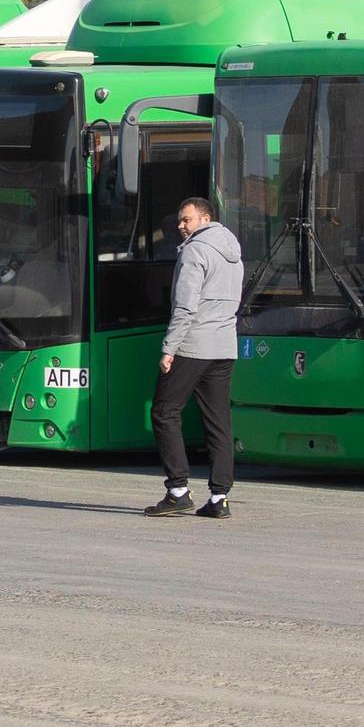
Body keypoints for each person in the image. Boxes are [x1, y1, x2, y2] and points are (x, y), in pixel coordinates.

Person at [144, 196, 241, 520]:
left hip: (193, 344)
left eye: (186, 220)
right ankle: (220, 497)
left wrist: (169, 348)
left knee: (164, 411)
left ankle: (177, 491)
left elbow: (185, 307)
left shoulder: (194, 252)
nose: (180, 226)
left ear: (205, 218)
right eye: (180, 221)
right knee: (218, 422)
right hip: (225, 346)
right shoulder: (234, 252)